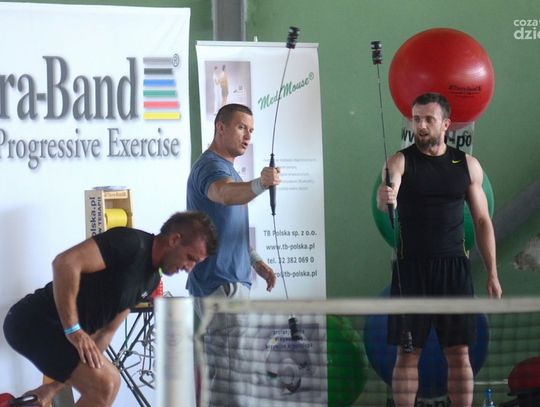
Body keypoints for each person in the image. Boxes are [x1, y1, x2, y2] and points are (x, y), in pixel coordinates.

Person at [3, 211, 217, 407]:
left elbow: (105, 333)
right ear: (174, 240)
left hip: (57, 333)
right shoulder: (131, 243)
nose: (189, 268)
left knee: (110, 382)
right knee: (106, 383)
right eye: (190, 258)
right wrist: (73, 330)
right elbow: (65, 263)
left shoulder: (150, 280)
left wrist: (52, 388)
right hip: (31, 321)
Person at [377, 92, 502, 407]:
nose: (421, 125)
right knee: (407, 354)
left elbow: (483, 221)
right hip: (410, 270)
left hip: (454, 270)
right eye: (416, 119)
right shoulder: (399, 160)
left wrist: (492, 273)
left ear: (446, 124)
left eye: (428, 119)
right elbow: (386, 194)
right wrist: (386, 196)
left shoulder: (467, 165)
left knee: (459, 353)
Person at [186, 103, 280, 405]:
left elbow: (222, 228)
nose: (247, 136)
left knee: (231, 374)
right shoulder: (211, 167)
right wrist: (261, 183)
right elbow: (224, 195)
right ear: (221, 127)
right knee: (231, 381)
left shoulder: (227, 168)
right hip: (221, 285)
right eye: (241, 127)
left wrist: (255, 261)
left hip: (230, 283)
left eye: (251, 130)